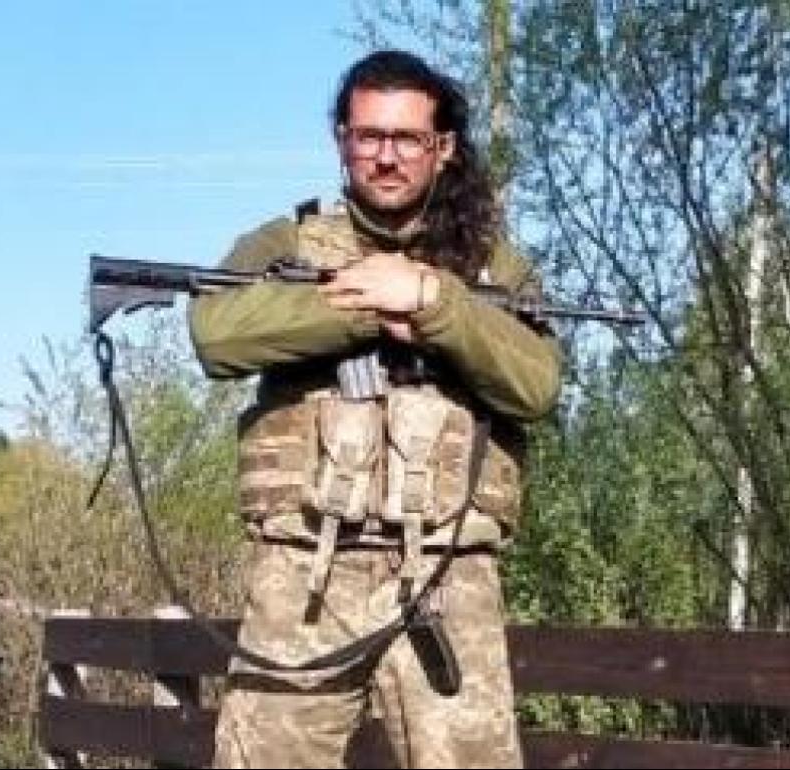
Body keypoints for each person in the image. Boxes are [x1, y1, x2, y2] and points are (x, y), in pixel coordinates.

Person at [188, 49, 561, 769]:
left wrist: (433, 302)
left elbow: (536, 382)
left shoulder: (493, 266)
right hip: (305, 571)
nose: (387, 157)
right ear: (342, 140)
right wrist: (366, 303)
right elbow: (216, 332)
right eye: (369, 136)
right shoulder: (285, 242)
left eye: (407, 139)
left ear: (442, 147)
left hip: (447, 576)